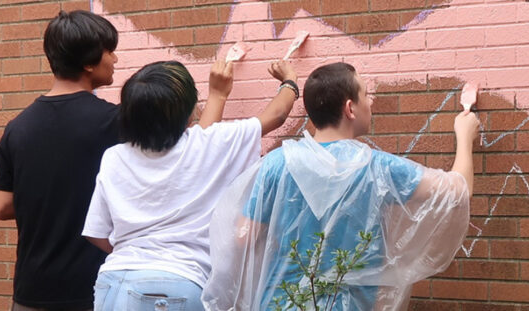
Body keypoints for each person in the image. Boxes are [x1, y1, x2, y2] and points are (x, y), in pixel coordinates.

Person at [202, 62, 480, 310]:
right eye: (365, 95)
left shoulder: (277, 164)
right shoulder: (377, 169)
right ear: (350, 108)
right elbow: (456, 193)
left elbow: (241, 237)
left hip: (280, 301)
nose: (370, 102)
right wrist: (464, 136)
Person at [80, 56, 298, 310]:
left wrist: (139, 252)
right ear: (186, 112)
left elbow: (97, 234)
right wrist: (290, 81)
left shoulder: (114, 157)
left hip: (113, 282)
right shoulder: (209, 143)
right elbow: (278, 114)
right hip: (177, 285)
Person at [0, 10, 119, 311]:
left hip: (32, 291)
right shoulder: (115, 122)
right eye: (109, 51)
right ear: (88, 62)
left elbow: (1, 206)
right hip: (95, 289)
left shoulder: (17, 127)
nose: (115, 59)